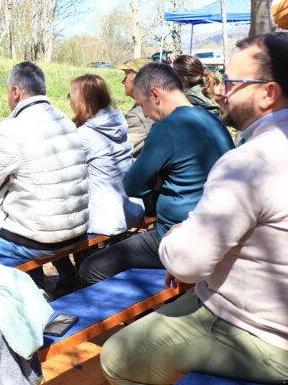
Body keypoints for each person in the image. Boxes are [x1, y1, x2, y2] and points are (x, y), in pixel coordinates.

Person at [100, 32, 288, 384]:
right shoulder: (216, 124)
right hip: (250, 295)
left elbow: (184, 259)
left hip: (255, 330)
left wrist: (180, 235)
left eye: (231, 82)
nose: (218, 91)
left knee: (115, 355)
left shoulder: (251, 160)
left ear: (268, 93)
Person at [78, 63, 234, 285]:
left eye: (142, 104)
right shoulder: (210, 118)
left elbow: (132, 185)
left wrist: (158, 181)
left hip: (178, 234)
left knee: (91, 267)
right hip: (215, 228)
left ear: (155, 95)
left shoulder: (167, 127)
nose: (144, 112)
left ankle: (139, 314)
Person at [0, 62, 88, 289]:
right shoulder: (65, 120)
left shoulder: (13, 128)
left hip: (40, 237)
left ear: (15, 92)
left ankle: (21, 295)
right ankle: (44, 283)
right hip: (75, 228)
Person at [68, 75, 143, 236]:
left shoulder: (84, 135)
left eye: (71, 96)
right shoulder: (118, 122)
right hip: (130, 208)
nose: (69, 101)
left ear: (81, 100)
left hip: (103, 219)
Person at [116, 58, 154, 157]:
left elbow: (117, 152)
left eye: (126, 76)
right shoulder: (147, 105)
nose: (123, 82)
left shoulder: (138, 116)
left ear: (139, 79)